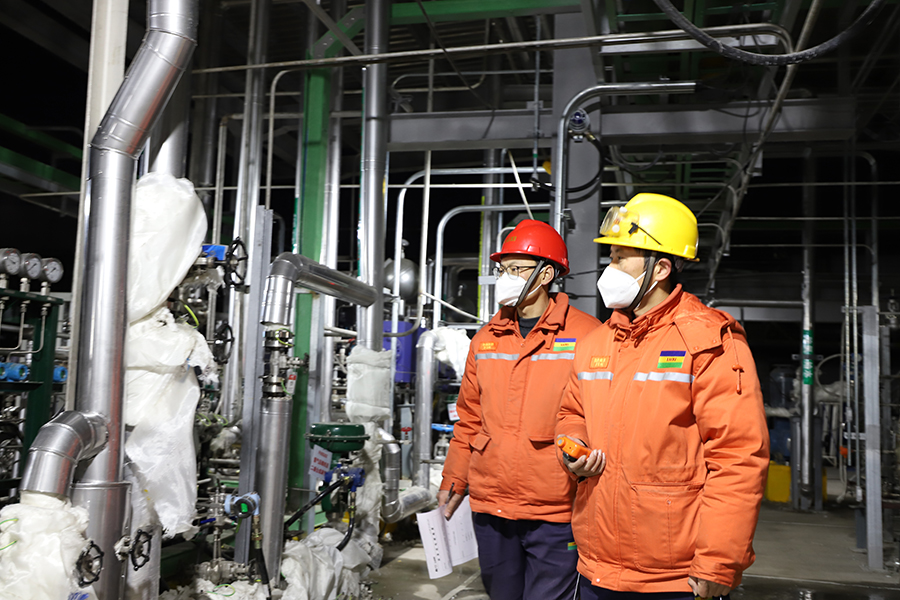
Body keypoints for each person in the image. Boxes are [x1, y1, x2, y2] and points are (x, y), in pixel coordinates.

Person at [556, 193, 769, 600]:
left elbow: (738, 458)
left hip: (675, 577)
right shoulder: (597, 342)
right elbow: (571, 413)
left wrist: (718, 562)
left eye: (621, 259)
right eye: (611, 258)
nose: (609, 269)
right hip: (597, 564)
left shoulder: (707, 341)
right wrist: (572, 449)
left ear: (661, 268)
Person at [438, 220, 602, 600]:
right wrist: (454, 477)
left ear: (546, 275)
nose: (504, 278)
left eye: (515, 269)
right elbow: (469, 418)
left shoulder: (588, 335)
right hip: (491, 505)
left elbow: (599, 415)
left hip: (556, 507)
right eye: (502, 270)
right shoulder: (486, 338)